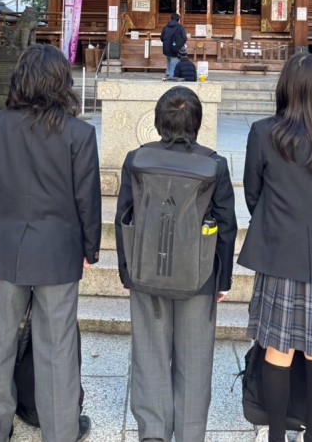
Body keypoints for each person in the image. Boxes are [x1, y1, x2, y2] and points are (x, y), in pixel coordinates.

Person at [0, 43, 101, 442]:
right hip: (59, 249)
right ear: (61, 81)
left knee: (0, 336)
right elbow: (87, 197)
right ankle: (61, 430)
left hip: (8, 242)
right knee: (57, 342)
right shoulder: (79, 133)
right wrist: (90, 247)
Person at [238, 52, 312, 442]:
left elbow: (252, 195)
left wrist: (276, 224)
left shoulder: (263, 132)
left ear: (285, 86)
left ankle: (276, 434)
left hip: (277, 253)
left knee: (277, 350)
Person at [115, 86, 237, 442]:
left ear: (159, 122)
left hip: (146, 269)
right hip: (199, 274)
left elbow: (124, 218)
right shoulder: (214, 165)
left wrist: (127, 272)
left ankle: (153, 432)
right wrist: (223, 280)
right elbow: (226, 225)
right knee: (195, 359)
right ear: (196, 122)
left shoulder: (137, 160)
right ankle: (189, 433)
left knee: (149, 352)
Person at [160, 13, 187, 77]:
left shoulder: (165, 27)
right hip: (175, 49)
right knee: (173, 66)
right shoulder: (180, 28)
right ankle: (171, 78)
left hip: (166, 48)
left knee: (169, 62)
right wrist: (180, 44)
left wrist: (166, 42)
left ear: (171, 18)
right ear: (178, 19)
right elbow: (184, 38)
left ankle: (168, 74)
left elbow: (162, 38)